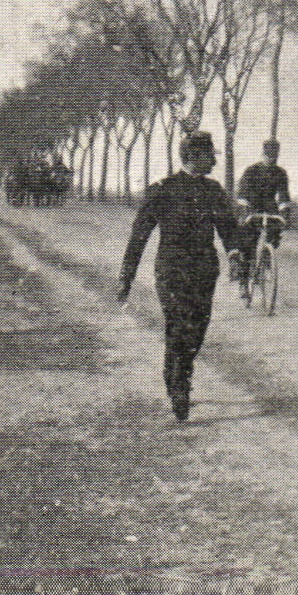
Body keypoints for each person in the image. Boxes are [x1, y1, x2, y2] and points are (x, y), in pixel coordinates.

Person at [117, 131, 248, 421]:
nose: (214, 160)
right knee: (179, 325)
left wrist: (235, 255)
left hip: (204, 270)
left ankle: (173, 369)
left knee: (198, 329)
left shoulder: (214, 190)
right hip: (172, 269)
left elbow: (228, 229)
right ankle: (180, 385)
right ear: (194, 156)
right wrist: (126, 277)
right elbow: (139, 236)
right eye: (210, 155)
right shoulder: (162, 189)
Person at [235, 138, 293, 298]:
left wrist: (285, 213)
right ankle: (243, 281)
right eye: (268, 156)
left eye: (274, 156)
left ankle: (267, 259)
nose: (271, 159)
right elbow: (243, 192)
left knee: (275, 230)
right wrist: (245, 210)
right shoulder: (251, 171)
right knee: (247, 244)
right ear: (263, 154)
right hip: (252, 206)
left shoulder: (280, 173)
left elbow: (283, 194)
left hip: (269, 206)